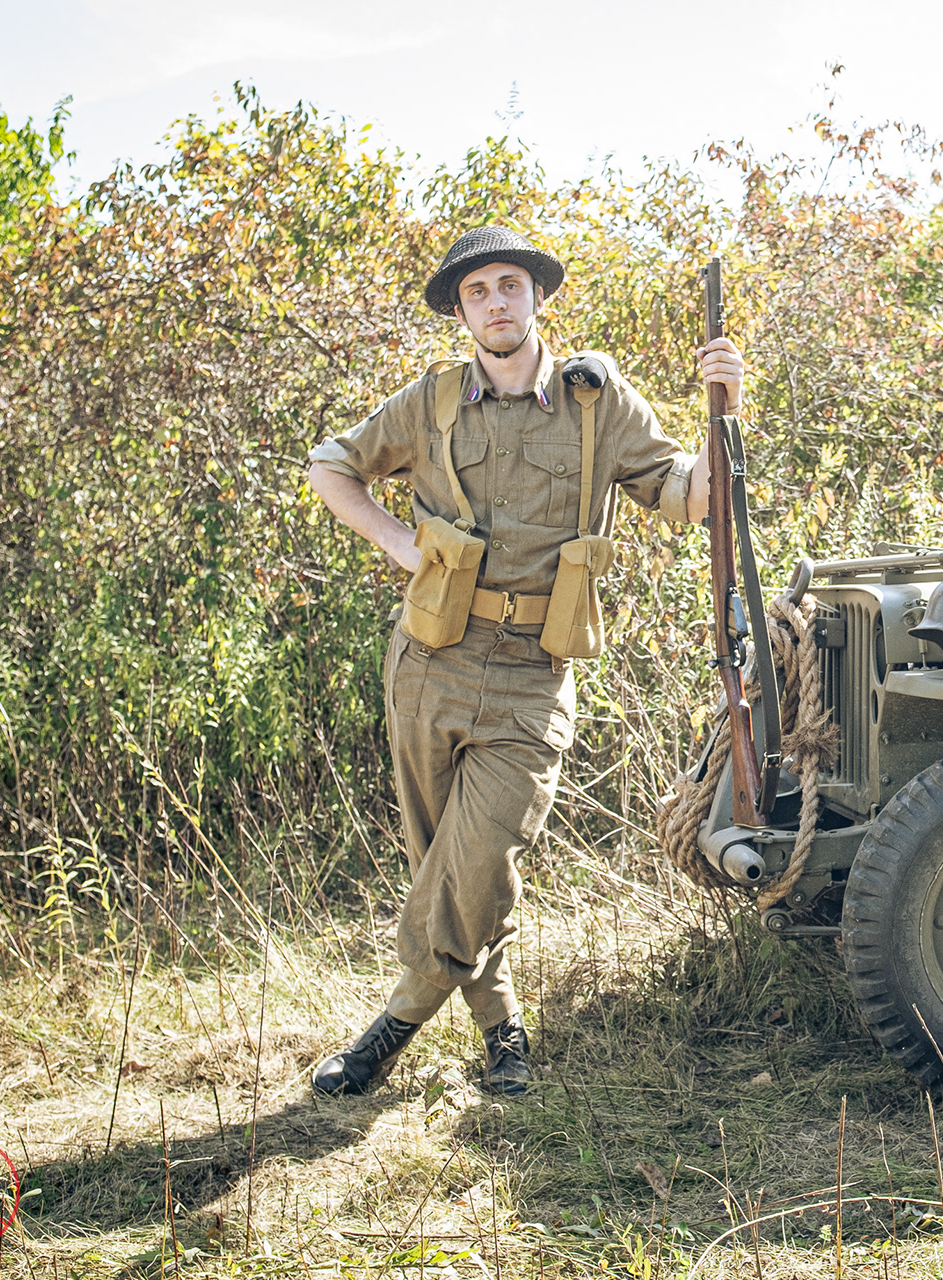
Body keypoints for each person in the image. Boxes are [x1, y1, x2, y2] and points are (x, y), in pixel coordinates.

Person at [304, 226, 742, 1096]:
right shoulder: (431, 402)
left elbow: (690, 497)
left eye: (510, 284)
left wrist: (725, 405)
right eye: (478, 291)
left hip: (533, 675)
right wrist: (395, 541)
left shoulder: (597, 402)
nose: (496, 302)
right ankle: (503, 1033)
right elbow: (330, 464)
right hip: (429, 660)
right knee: (456, 868)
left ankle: (390, 1031)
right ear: (461, 311)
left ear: (538, 297)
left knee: (479, 857)